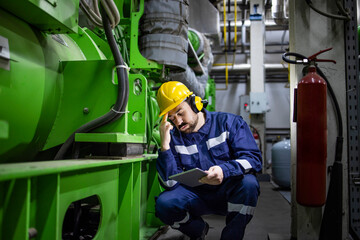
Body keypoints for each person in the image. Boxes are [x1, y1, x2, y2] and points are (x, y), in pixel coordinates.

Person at [154, 81, 262, 240]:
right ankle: (197, 230)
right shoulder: (173, 139)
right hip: (197, 196)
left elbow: (253, 159)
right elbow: (170, 184)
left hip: (228, 192)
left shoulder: (229, 123)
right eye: (171, 117)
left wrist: (224, 170)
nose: (178, 121)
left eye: (180, 112)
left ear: (194, 104)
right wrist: (164, 146)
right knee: (164, 204)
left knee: (249, 184)